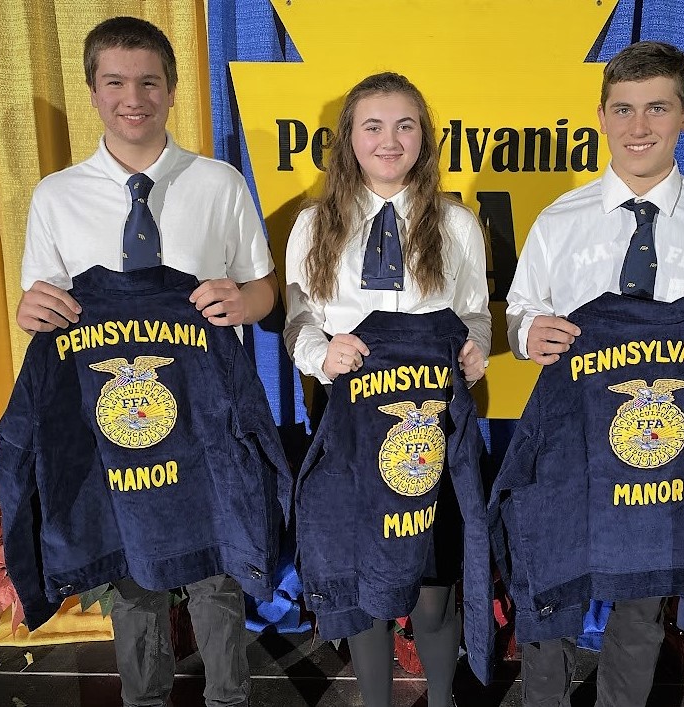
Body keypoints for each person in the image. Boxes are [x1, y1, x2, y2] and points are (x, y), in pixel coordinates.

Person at [505, 41, 684, 707]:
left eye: (657, 108)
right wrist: (525, 333)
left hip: (665, 449)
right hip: (573, 446)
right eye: (624, 110)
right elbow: (521, 313)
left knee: (640, 602)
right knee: (553, 585)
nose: (640, 127)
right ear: (600, 116)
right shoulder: (559, 222)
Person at [16, 16, 278, 707]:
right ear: (93, 91)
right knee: (132, 567)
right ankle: (144, 698)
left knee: (216, 569)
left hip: (207, 415)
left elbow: (264, 288)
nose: (134, 97)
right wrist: (30, 312)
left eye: (148, 82)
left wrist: (244, 303)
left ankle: (229, 698)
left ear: (171, 88)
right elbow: (43, 304)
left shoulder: (219, 183)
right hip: (114, 422)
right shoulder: (55, 196)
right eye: (116, 82)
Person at [283, 72, 491, 707]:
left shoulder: (455, 223)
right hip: (348, 418)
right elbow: (295, 315)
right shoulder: (314, 224)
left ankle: (444, 696)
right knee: (363, 574)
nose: (389, 139)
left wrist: (476, 345)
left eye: (405, 125)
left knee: (433, 581)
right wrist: (322, 353)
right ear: (348, 138)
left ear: (424, 138)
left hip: (432, 421)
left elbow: (478, 310)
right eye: (372, 125)